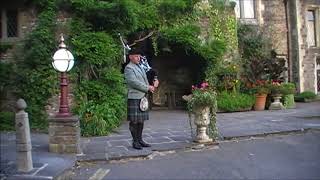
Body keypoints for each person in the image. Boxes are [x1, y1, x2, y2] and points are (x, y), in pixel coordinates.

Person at [124, 48, 159, 150]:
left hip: (142, 96)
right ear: (130, 57)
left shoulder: (140, 66)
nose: (138, 58)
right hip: (134, 96)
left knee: (141, 120)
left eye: (139, 56)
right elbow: (133, 82)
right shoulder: (129, 68)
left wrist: (155, 79)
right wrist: (148, 87)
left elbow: (151, 73)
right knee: (134, 121)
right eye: (136, 56)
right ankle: (135, 142)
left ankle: (140, 140)